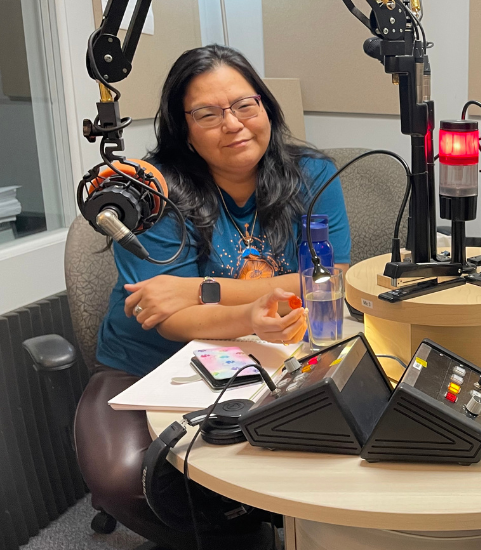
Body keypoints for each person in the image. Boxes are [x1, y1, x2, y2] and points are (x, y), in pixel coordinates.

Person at [76, 45, 351, 549]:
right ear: (182, 128)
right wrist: (246, 310)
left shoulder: (313, 175)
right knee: (123, 480)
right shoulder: (150, 189)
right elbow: (171, 318)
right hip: (150, 367)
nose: (233, 124)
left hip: (272, 360)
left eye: (246, 105)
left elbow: (331, 278)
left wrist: (204, 290)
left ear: (266, 107)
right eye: (208, 113)